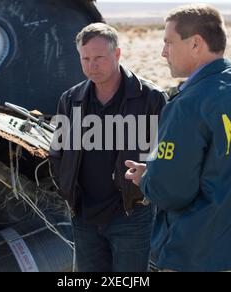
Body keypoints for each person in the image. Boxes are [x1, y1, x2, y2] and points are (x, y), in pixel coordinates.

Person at [125, 4, 231, 272]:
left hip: (198, 255)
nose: (163, 53)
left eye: (168, 42)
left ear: (196, 44)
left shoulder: (189, 104)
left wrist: (148, 178)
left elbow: (171, 191)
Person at [49, 23, 167, 272]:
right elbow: (57, 152)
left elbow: (167, 155)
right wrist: (68, 189)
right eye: (86, 58)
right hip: (84, 216)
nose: (92, 65)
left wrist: (147, 185)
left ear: (117, 54)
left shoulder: (151, 98)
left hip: (131, 214)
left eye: (99, 57)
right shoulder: (70, 100)